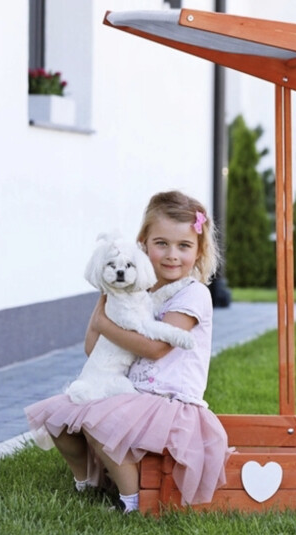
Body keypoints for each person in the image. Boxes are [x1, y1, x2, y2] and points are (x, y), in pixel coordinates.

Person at [25, 190, 230, 513]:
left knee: (98, 421)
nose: (172, 255)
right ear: (143, 244)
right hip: (132, 392)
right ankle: (88, 485)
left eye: (184, 246)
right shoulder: (136, 289)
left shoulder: (194, 294)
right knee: (60, 421)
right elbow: (92, 348)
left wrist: (106, 323)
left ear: (199, 250)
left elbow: (157, 347)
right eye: (161, 243)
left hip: (170, 401)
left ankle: (131, 501)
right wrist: (103, 307)